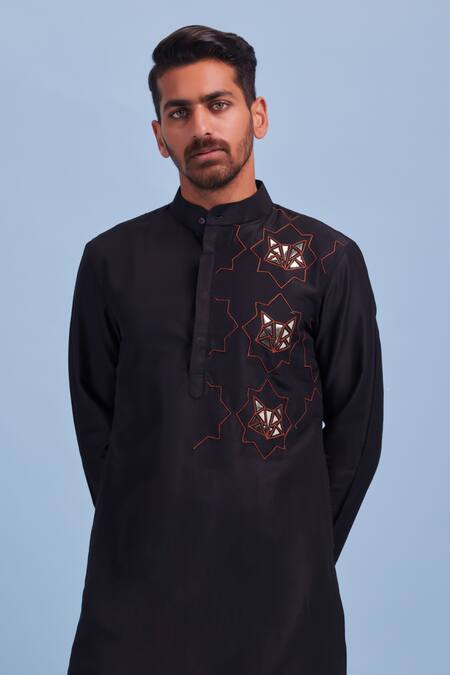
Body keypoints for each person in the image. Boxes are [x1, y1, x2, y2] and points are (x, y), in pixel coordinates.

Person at [66, 24, 384, 675]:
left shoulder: (327, 259)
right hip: (133, 605)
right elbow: (97, 421)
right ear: (159, 135)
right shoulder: (111, 261)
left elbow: (358, 430)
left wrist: (297, 550)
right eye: (179, 112)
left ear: (256, 115)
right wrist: (145, 530)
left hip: (287, 613)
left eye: (219, 104)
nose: (201, 127)